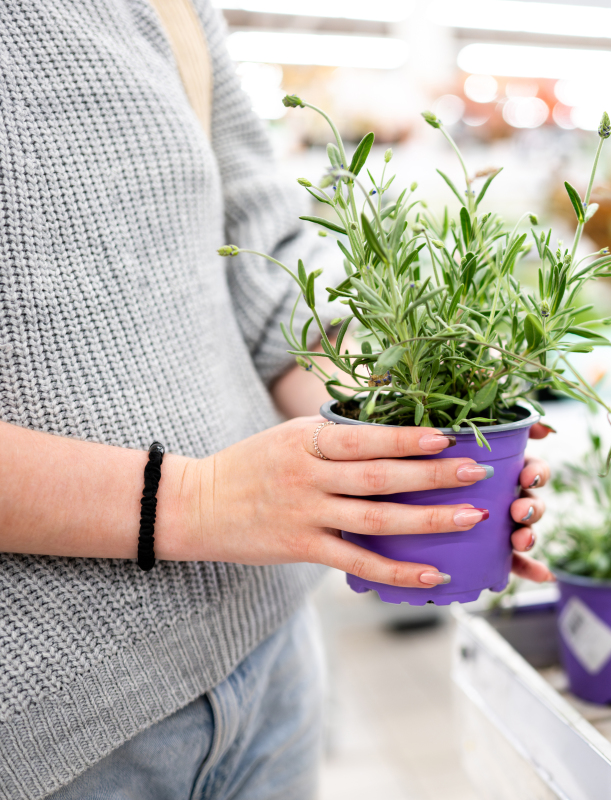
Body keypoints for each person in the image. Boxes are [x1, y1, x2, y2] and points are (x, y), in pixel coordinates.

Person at [0, 1, 553, 797]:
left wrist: (413, 425)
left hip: (266, 648)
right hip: (56, 735)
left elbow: (263, 272)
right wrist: (195, 498)